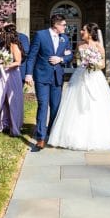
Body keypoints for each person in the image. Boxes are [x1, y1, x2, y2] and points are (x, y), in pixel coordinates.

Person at [47, 23, 110, 150]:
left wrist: (93, 64)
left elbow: (102, 64)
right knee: (76, 104)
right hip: (80, 75)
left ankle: (98, 135)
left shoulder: (98, 46)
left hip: (94, 77)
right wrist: (80, 62)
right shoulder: (79, 45)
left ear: (90, 32)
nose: (80, 31)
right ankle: (72, 135)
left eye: (83, 30)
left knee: (96, 104)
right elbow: (75, 59)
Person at [25, 13, 74, 148]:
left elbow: (70, 56)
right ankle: (41, 137)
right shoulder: (40, 35)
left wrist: (61, 59)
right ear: (56, 25)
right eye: (63, 25)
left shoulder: (64, 38)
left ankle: (51, 133)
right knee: (42, 105)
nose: (65, 27)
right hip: (41, 76)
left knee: (55, 107)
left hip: (57, 77)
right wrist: (28, 74)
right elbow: (31, 56)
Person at [0, 24, 26, 136]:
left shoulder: (14, 46)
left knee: (13, 102)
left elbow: (18, 61)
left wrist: (6, 64)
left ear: (7, 34)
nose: (0, 35)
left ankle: (14, 127)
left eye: (2, 32)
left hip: (12, 76)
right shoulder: (1, 46)